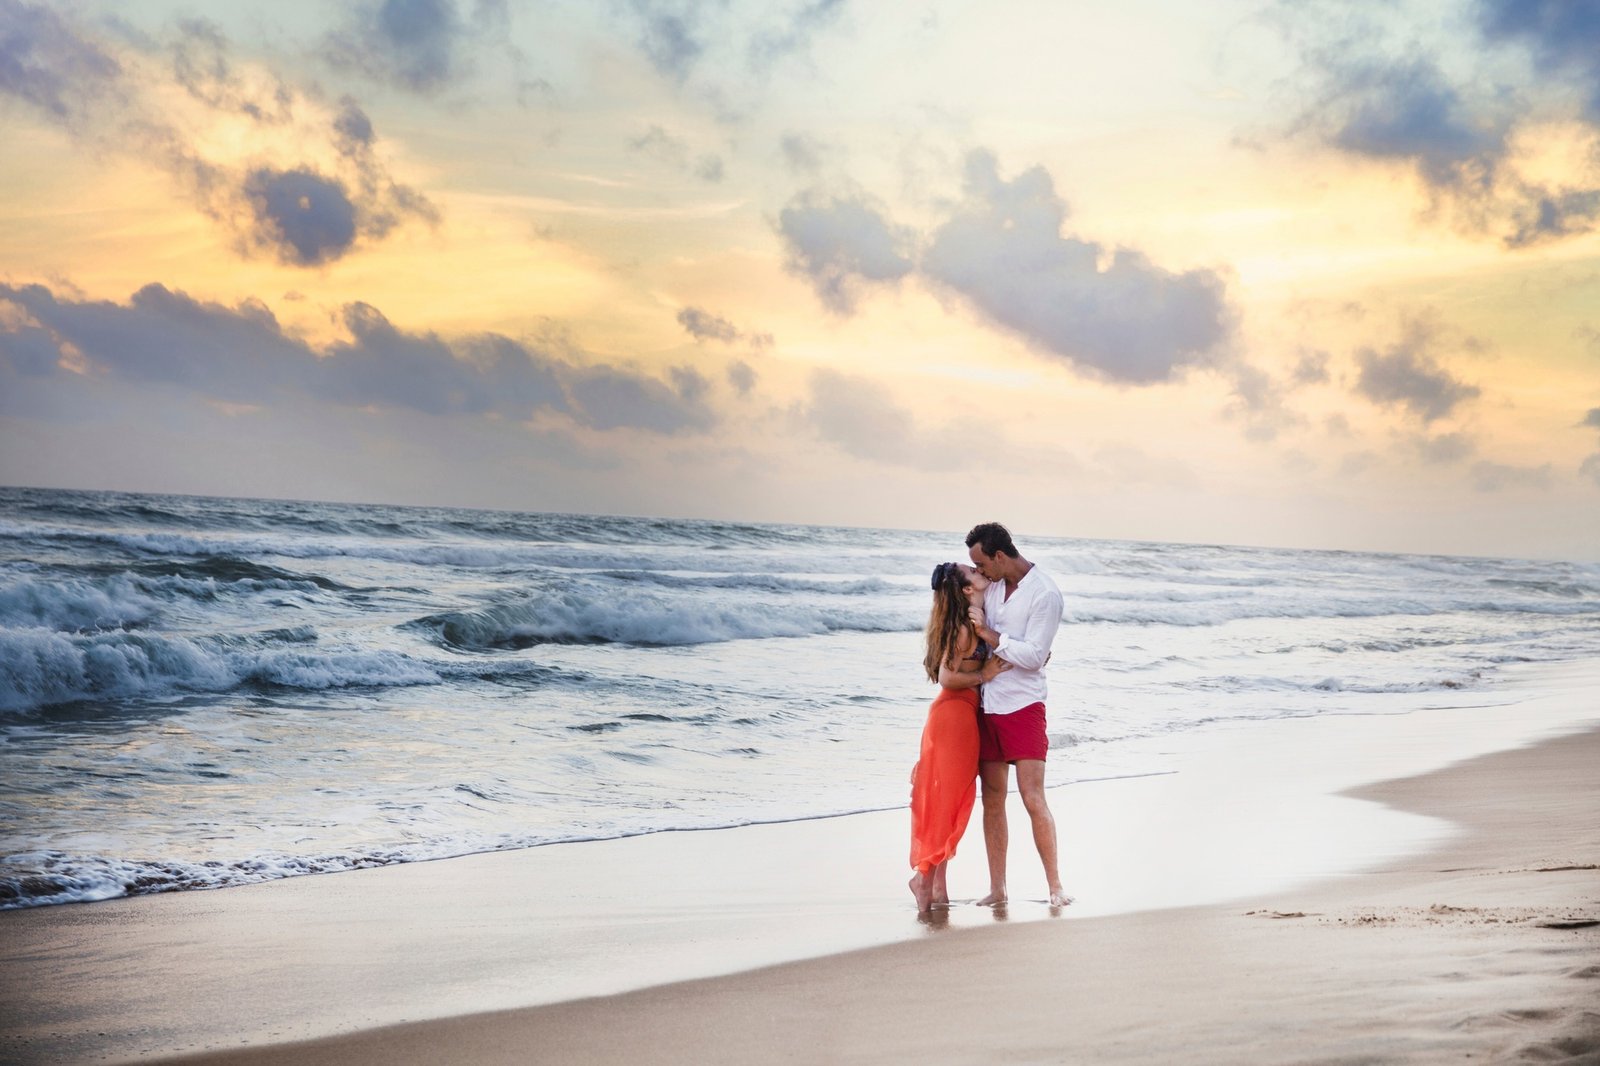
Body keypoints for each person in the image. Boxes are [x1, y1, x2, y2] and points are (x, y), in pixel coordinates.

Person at [959, 521, 1069, 907]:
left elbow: (1034, 657)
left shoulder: (1045, 594)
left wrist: (992, 637)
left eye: (982, 563)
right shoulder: (993, 587)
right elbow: (963, 582)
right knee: (992, 800)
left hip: (1023, 705)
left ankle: (1055, 887)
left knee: (1032, 797)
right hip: (988, 703)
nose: (980, 571)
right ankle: (998, 888)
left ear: (1000, 556)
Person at [909, 561, 1010, 913]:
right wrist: (985, 674)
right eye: (973, 571)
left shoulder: (971, 622)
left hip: (956, 717)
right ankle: (924, 879)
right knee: (948, 803)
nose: (979, 570)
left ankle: (938, 887)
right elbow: (947, 678)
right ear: (967, 589)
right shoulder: (965, 630)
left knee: (948, 802)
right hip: (953, 717)